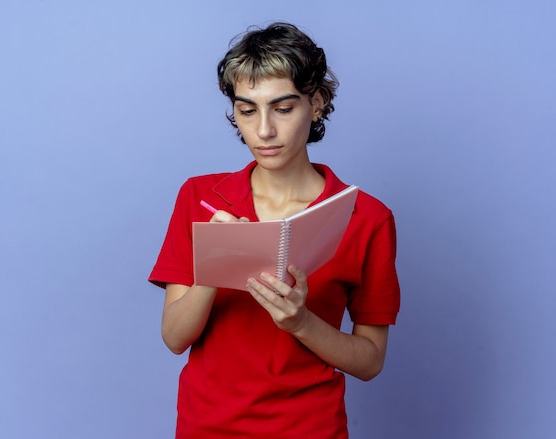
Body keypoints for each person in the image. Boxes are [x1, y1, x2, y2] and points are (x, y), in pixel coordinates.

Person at [149, 22, 400, 438]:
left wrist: (301, 322)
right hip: (207, 426)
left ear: (316, 103)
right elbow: (175, 338)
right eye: (247, 110)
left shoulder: (367, 217)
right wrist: (215, 267)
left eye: (283, 108)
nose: (264, 130)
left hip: (310, 427)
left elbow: (370, 361)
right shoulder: (199, 196)